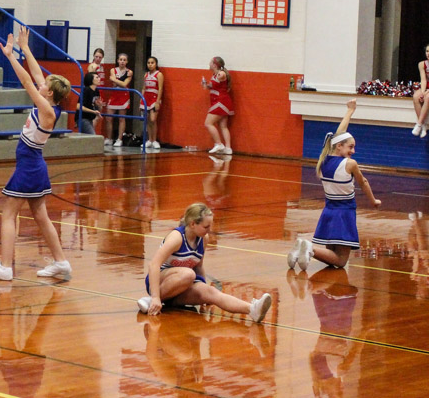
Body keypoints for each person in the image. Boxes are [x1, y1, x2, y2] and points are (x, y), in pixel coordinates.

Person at [0, 27, 72, 281]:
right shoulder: (48, 103)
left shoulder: (47, 110)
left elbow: (27, 82)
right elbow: (36, 74)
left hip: (29, 165)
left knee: (8, 213)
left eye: (45, 85)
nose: (41, 84)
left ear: (50, 93)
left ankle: (5, 267)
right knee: (40, 215)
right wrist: (25, 48)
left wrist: (11, 56)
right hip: (34, 164)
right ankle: (61, 263)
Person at [137, 203, 273, 322]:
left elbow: (199, 265)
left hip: (183, 285)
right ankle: (153, 300)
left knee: (211, 292)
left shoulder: (203, 238)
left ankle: (252, 309)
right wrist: (155, 296)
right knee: (188, 274)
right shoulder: (177, 238)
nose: (209, 230)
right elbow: (153, 265)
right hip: (160, 282)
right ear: (192, 224)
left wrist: (203, 291)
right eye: (206, 226)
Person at [287, 99, 381, 271]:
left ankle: (301, 249)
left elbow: (340, 134)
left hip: (329, 212)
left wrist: (350, 111)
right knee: (341, 261)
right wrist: (373, 201)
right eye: (351, 147)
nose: (353, 151)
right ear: (339, 146)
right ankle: (310, 248)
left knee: (332, 257)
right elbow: (364, 182)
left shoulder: (323, 160)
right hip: (344, 213)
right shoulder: (350, 164)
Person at [202, 56, 234, 155]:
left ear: (215, 65)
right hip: (221, 101)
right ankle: (228, 148)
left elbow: (221, 77)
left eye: (210, 62)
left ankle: (218, 144)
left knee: (208, 123)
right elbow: (212, 86)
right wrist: (205, 84)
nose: (209, 64)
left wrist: (219, 75)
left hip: (220, 102)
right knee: (223, 126)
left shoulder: (221, 73)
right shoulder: (215, 75)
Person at [106, 52, 133, 147]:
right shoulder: (113, 70)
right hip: (114, 95)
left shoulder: (129, 72)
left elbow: (124, 84)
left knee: (121, 118)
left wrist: (115, 80)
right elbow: (114, 84)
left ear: (127, 62)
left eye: (124, 60)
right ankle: (109, 138)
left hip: (123, 96)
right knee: (109, 118)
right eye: (121, 59)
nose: (122, 61)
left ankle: (119, 139)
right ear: (118, 60)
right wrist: (119, 81)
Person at [143, 56, 164, 149]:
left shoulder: (159, 74)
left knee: (153, 119)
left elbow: (160, 88)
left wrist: (157, 101)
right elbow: (144, 88)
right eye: (148, 63)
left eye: (152, 63)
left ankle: (154, 140)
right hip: (146, 98)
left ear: (156, 64)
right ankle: (149, 140)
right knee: (147, 119)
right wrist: (141, 99)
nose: (150, 65)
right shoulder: (146, 75)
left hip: (154, 99)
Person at [79, 71, 104, 136]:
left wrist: (99, 105)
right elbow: (79, 106)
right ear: (91, 80)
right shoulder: (86, 90)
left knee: (88, 137)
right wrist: (93, 111)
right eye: (97, 77)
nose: (99, 79)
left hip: (90, 118)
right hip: (83, 118)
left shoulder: (96, 91)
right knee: (92, 136)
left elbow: (98, 108)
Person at [412, 43, 429, 138]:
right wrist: (422, 92)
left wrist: (426, 93)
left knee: (428, 97)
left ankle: (418, 124)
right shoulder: (422, 64)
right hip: (427, 86)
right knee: (416, 96)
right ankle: (423, 126)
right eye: (427, 51)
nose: (428, 53)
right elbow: (423, 79)